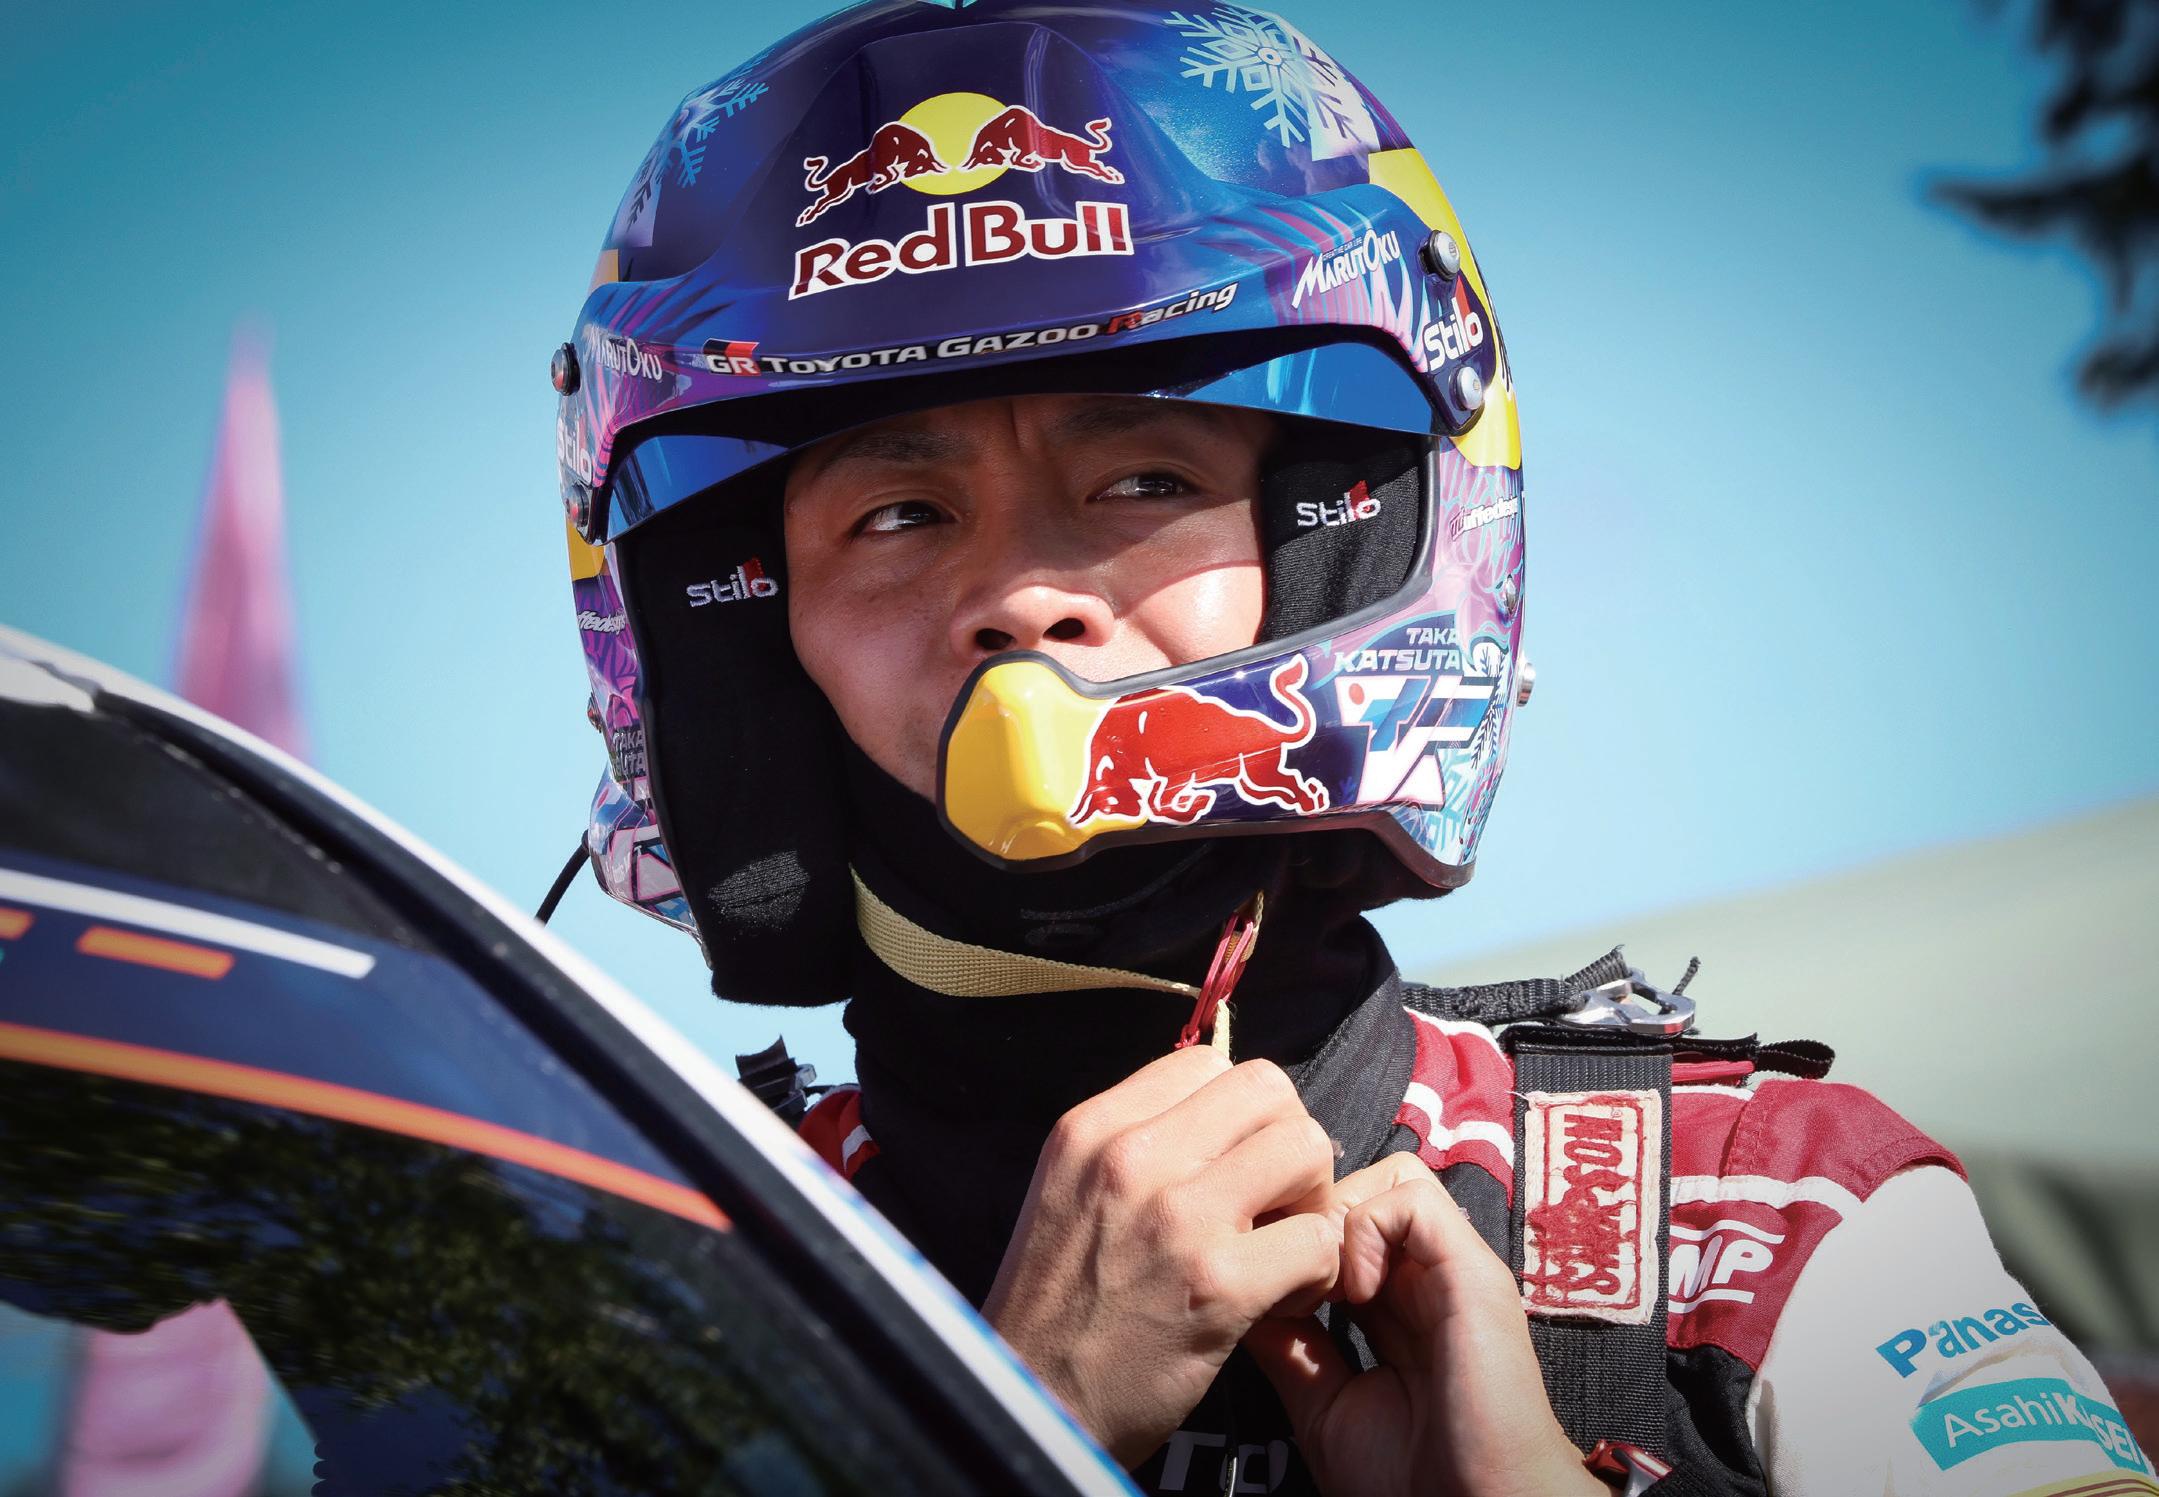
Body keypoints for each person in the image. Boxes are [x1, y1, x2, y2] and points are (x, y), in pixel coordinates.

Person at [549, 3, 2152, 1492]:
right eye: (901, 514)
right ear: (740, 640)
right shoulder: (635, 1287)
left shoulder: (1764, 1210)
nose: (1024, 593)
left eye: (1144, 483)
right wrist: (1025, 1421)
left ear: (1344, 536)